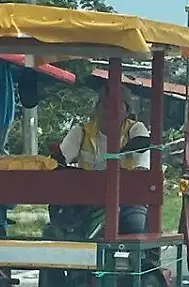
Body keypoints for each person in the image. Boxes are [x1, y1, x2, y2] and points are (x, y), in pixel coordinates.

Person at [58, 85, 151, 235]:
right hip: (86, 201)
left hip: (128, 200)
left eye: (116, 106)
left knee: (136, 228)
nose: (110, 111)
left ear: (127, 111)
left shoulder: (136, 130)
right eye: (106, 106)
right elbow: (58, 163)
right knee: (61, 229)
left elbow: (142, 167)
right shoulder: (80, 131)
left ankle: (141, 259)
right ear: (97, 109)